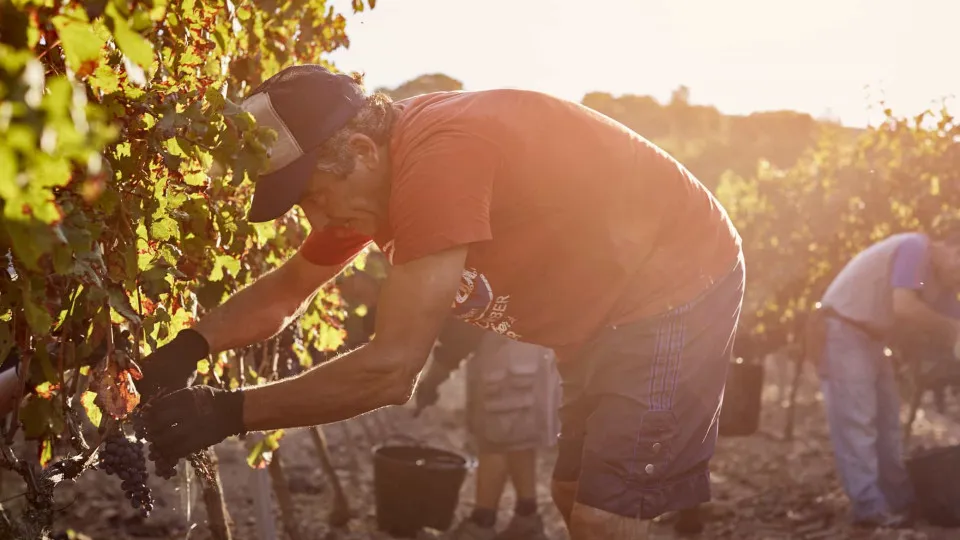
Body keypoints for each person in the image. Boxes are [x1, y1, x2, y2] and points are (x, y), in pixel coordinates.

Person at [135, 64, 744, 540]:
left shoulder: (438, 163)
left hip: (672, 289)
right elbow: (288, 291)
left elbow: (392, 370)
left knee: (605, 519)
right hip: (600, 318)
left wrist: (229, 412)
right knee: (574, 496)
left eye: (314, 196)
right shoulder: (370, 179)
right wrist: (188, 347)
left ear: (362, 154)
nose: (316, 219)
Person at [808, 226, 960, 528]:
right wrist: (953, 330)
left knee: (888, 423)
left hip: (872, 340)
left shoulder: (940, 284)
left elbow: (953, 319)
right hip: (843, 331)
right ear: (951, 246)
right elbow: (904, 306)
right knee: (857, 422)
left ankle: (900, 502)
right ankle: (869, 509)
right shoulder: (916, 248)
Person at [414, 319, 560, 540]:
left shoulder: (488, 285)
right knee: (519, 436)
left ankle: (481, 525)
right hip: (535, 356)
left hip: (506, 358)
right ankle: (526, 518)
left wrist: (433, 380)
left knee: (495, 442)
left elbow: (460, 336)